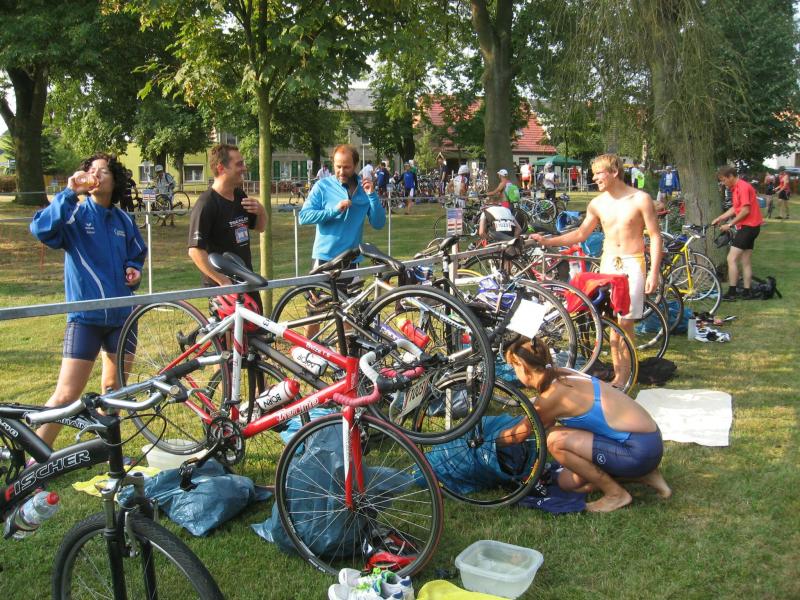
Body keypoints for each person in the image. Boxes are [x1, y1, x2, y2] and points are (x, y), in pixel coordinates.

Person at [29, 153, 147, 447]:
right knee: (66, 395)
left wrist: (134, 269)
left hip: (123, 318)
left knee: (114, 391)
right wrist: (70, 192)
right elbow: (41, 229)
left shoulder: (123, 220)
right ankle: (34, 460)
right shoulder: (74, 214)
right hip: (85, 319)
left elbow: (136, 254)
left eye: (102, 171)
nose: (95, 175)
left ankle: (109, 454)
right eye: (90, 170)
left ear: (114, 181)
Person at [530, 153, 662, 389]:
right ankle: (620, 375)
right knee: (611, 321)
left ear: (614, 172)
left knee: (626, 322)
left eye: (598, 173)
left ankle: (624, 376)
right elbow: (581, 234)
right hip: (608, 263)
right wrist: (548, 241)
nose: (594, 178)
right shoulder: (597, 204)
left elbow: (655, 236)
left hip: (633, 262)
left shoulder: (640, 199)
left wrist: (653, 272)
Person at [504, 335, 671, 513]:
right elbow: (546, 421)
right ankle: (645, 475)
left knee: (554, 439)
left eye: (514, 367)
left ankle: (616, 494)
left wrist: (489, 437)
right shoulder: (562, 373)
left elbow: (518, 435)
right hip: (651, 442)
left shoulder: (552, 396)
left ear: (522, 366)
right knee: (568, 483)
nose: (515, 373)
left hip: (638, 451)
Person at [187, 143, 266, 311]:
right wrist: (222, 281)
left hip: (246, 279)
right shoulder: (206, 203)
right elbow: (195, 251)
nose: (244, 168)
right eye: (239, 164)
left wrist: (261, 211)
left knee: (256, 326)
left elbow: (259, 228)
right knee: (232, 330)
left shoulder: (240, 195)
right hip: (223, 289)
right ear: (221, 168)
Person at [299, 143, 385, 269]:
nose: (341, 172)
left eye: (346, 167)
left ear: (355, 165)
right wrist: (334, 210)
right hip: (324, 258)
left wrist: (372, 196)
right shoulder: (322, 186)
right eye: (338, 166)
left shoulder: (365, 189)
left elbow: (379, 224)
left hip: (352, 260)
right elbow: (303, 217)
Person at [711, 166, 763, 301]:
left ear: (731, 176)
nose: (723, 183)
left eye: (724, 180)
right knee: (745, 260)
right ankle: (747, 292)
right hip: (751, 227)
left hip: (748, 228)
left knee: (731, 259)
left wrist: (729, 225)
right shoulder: (736, 188)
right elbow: (736, 208)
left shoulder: (743, 187)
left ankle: (732, 292)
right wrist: (721, 218)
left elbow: (745, 210)